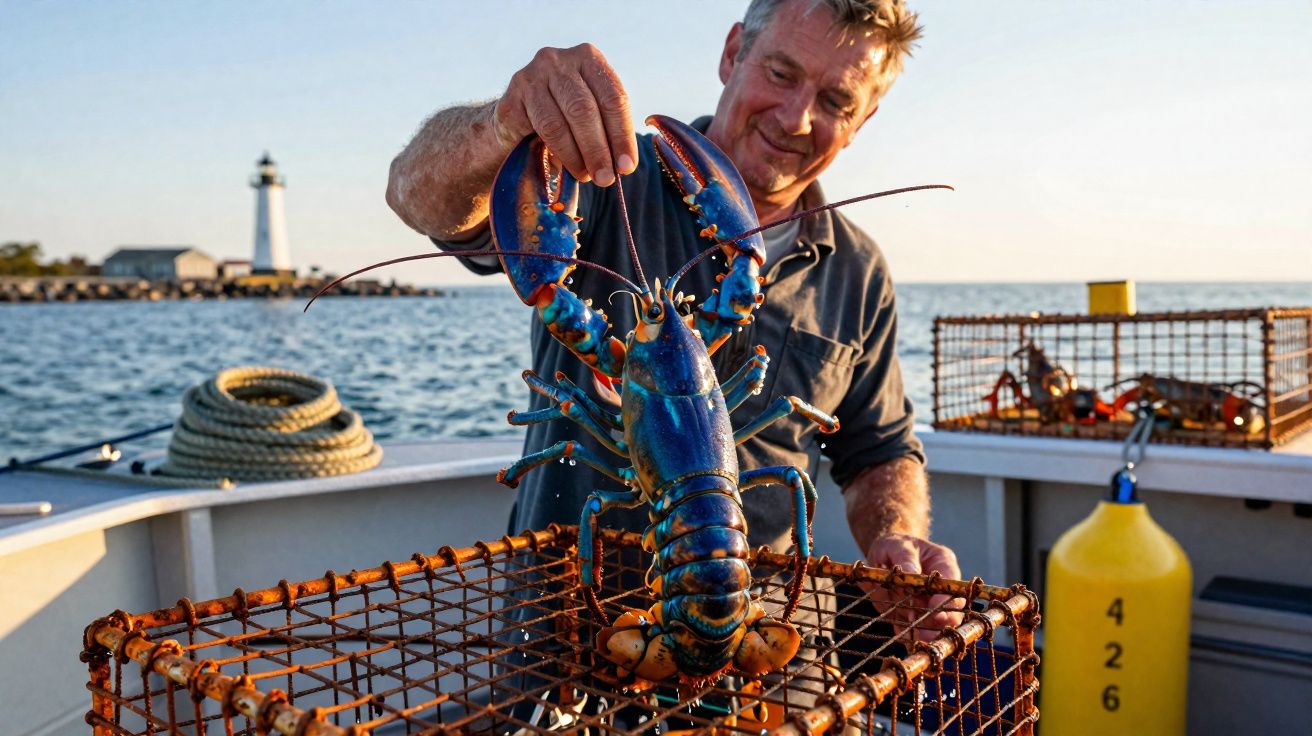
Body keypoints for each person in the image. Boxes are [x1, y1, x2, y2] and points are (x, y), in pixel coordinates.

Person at [387, 0, 961, 645]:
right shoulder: (603, 178)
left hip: (768, 640)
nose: (797, 118)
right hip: (571, 632)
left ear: (864, 120)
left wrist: (897, 535)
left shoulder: (858, 268)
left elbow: (878, 448)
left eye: (835, 101)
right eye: (781, 72)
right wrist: (502, 124)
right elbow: (416, 196)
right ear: (732, 52)